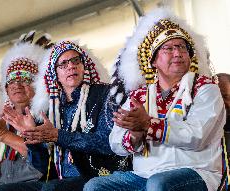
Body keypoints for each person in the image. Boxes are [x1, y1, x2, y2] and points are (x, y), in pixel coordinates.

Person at [83, 8, 226, 191]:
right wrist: (135, 134)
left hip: (195, 172)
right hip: (143, 176)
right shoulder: (139, 96)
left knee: (158, 184)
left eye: (182, 47)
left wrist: (148, 125)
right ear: (153, 61)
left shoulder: (205, 89)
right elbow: (115, 143)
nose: (177, 53)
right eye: (169, 48)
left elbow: (196, 136)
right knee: (95, 186)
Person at [3, 40, 132, 191]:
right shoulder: (51, 109)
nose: (71, 66)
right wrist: (32, 139)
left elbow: (110, 144)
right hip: (59, 180)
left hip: (97, 176)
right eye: (63, 64)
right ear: (55, 73)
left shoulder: (104, 95)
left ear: (84, 66)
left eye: (76, 60)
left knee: (52, 189)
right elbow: (43, 167)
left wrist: (59, 136)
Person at [0, 32, 54, 191]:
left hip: (32, 185)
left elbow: (43, 162)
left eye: (25, 79)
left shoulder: (45, 116)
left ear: (37, 86)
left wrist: (1, 134)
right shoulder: (2, 121)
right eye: (11, 81)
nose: (17, 85)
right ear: (6, 90)